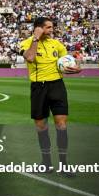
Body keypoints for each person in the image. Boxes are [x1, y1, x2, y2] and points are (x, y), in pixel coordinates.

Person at [18, 17, 81, 174]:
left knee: (61, 125)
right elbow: (30, 58)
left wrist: (77, 68)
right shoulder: (25, 43)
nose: (51, 30)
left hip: (57, 86)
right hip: (39, 87)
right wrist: (35, 39)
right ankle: (46, 163)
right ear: (38, 28)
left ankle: (64, 165)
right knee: (41, 126)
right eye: (48, 27)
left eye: (52, 27)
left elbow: (67, 62)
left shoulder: (56, 43)